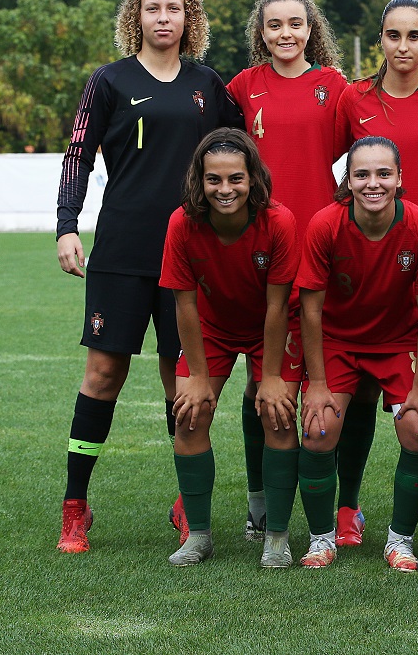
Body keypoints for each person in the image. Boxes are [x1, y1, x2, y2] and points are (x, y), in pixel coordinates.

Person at [54, 0, 243, 554]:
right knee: (104, 376)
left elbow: (243, 158)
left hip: (191, 257)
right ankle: (76, 506)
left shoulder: (208, 85)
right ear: (135, 15)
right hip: (123, 251)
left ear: (191, 19)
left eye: (176, 9)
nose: (164, 19)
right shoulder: (108, 82)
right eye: (153, 9)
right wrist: (67, 226)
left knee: (180, 382)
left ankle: (188, 504)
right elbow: (78, 156)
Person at [226, 0, 373, 548]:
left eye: (295, 24)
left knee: (351, 385)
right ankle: (260, 500)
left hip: (326, 251)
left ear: (312, 29)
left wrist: (338, 204)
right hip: (262, 251)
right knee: (260, 384)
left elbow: (366, 154)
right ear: (260, 32)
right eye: (274, 26)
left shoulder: (334, 88)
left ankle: (347, 506)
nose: (285, 34)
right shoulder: (244, 87)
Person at [294, 136, 418, 571]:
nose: (372, 183)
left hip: (397, 342)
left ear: (399, 178)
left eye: (383, 173)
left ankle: (400, 540)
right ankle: (321, 539)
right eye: (362, 174)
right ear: (348, 180)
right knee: (318, 430)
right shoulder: (326, 225)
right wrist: (316, 385)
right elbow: (310, 308)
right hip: (338, 342)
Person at [159, 129, 297, 566]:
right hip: (210, 328)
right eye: (213, 180)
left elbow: (278, 307)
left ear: (253, 178)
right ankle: (198, 534)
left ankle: (276, 534)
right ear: (199, 181)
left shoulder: (279, 221)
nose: (225, 189)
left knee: (277, 414)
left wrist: (271, 377)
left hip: (267, 328)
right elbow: (184, 304)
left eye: (235, 178)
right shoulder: (182, 223)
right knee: (189, 415)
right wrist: (198, 377)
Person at [336, 0, 418, 217]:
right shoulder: (354, 97)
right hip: (370, 231)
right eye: (393, 36)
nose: (403, 47)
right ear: (381, 39)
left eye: (414, 36)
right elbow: (325, 160)